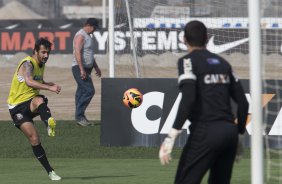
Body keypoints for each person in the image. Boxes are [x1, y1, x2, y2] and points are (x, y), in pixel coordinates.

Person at [159, 20, 249, 184]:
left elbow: (189, 99)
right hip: (230, 134)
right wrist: (240, 137)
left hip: (205, 131)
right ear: (207, 38)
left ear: (184, 39)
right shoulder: (223, 64)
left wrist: (171, 136)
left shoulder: (187, 62)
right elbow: (243, 103)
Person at [7, 38, 62, 181]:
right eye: (43, 52)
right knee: (34, 139)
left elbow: (38, 80)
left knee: (39, 100)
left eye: (48, 53)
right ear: (35, 51)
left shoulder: (41, 65)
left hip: (30, 103)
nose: (46, 55)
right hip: (17, 108)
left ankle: (49, 123)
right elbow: (29, 81)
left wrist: (48, 83)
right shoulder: (27, 63)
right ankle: (50, 171)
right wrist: (50, 88)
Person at [72, 17, 102, 126]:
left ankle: (80, 118)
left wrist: (96, 67)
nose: (95, 30)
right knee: (89, 91)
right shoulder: (80, 36)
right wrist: (81, 69)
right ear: (89, 25)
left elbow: (89, 55)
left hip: (86, 68)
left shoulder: (88, 36)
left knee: (81, 92)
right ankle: (79, 116)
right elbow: (77, 53)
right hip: (79, 68)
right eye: (94, 28)